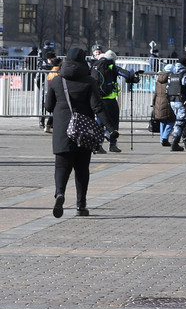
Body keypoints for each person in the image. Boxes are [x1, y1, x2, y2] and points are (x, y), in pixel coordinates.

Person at [45, 47, 119, 217]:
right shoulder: (88, 81)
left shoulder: (57, 81)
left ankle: (60, 193)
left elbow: (48, 106)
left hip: (63, 130)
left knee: (61, 165)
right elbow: (97, 106)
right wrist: (111, 128)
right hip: (84, 130)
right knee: (82, 169)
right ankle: (81, 206)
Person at [92, 49, 139, 153]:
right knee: (114, 122)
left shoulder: (95, 66)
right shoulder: (112, 66)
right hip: (110, 99)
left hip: (98, 99)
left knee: (100, 122)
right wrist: (133, 75)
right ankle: (112, 144)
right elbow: (127, 74)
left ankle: (98, 145)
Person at [166, 60, 186, 151]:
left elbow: (167, 88)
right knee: (181, 121)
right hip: (182, 100)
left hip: (172, 100)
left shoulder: (171, 74)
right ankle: (175, 143)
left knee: (182, 120)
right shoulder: (185, 74)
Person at [152, 66, 176, 146]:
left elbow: (155, 93)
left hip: (158, 101)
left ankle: (162, 139)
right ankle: (165, 137)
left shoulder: (158, 80)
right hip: (168, 101)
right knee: (171, 120)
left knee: (162, 121)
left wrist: (153, 103)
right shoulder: (171, 79)